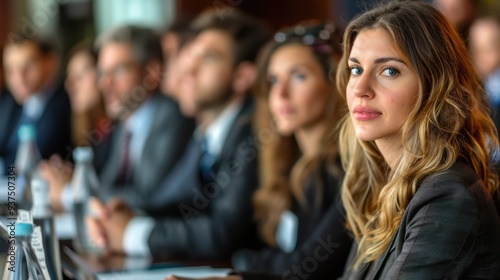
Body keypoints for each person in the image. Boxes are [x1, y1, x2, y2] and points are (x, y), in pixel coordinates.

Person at [87, 10, 270, 260]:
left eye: (208, 58)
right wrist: (130, 214)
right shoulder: (207, 132)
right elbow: (175, 199)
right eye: (190, 57)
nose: (187, 69)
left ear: (242, 76)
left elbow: (222, 234)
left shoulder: (252, 132)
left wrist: (133, 233)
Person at [335, 1, 500, 278]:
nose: (361, 89)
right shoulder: (388, 181)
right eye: (356, 69)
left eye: (389, 71)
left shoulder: (448, 197)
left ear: (434, 85)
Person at [223, 22, 352, 279]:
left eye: (298, 76)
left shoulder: (348, 168)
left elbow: (306, 268)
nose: (280, 94)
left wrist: (245, 260)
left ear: (334, 82)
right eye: (273, 80)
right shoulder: (292, 162)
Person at [41, 25, 195, 213]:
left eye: (119, 70)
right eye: (103, 73)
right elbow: (107, 185)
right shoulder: (125, 123)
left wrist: (69, 193)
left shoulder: (172, 117)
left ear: (152, 73)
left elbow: (147, 196)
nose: (105, 84)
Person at [0, 34, 72, 173]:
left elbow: (40, 158)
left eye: (28, 66)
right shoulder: (10, 103)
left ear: (50, 63)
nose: (19, 78)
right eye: (11, 70)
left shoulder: (65, 104)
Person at [469, 17, 500, 138]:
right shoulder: (479, 86)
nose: (478, 56)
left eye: (486, 49)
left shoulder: (493, 87)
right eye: (475, 49)